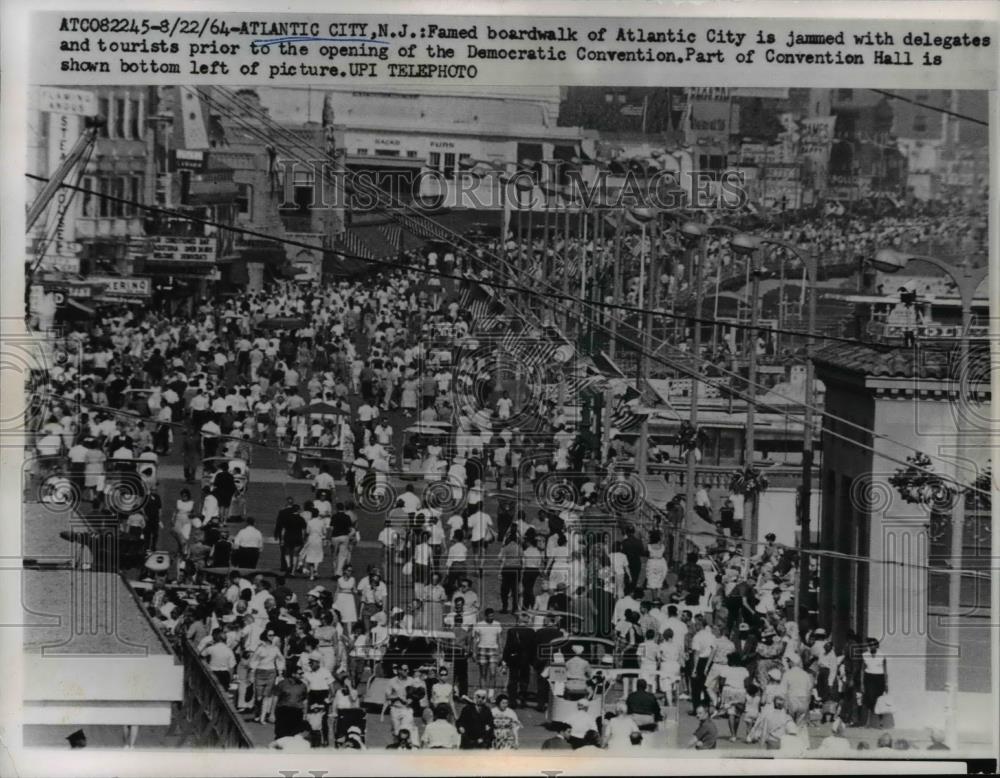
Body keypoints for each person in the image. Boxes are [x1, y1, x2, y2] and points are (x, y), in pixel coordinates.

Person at [273, 664, 308, 739]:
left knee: (294, 735)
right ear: (293, 674)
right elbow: (275, 698)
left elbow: (305, 700)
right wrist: (272, 713)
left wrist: (305, 714)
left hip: (297, 713)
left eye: (302, 673)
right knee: (281, 734)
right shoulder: (282, 683)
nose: (302, 676)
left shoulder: (303, 686)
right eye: (300, 674)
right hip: (283, 712)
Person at [472, 608, 503, 691]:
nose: (491, 618)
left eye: (492, 616)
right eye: (489, 616)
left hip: (493, 650)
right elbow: (475, 639)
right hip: (482, 649)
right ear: (485, 616)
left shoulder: (497, 624)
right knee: (483, 673)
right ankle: (483, 694)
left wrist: (501, 652)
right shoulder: (479, 625)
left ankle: (491, 694)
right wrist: (474, 652)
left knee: (493, 673)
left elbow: (499, 639)